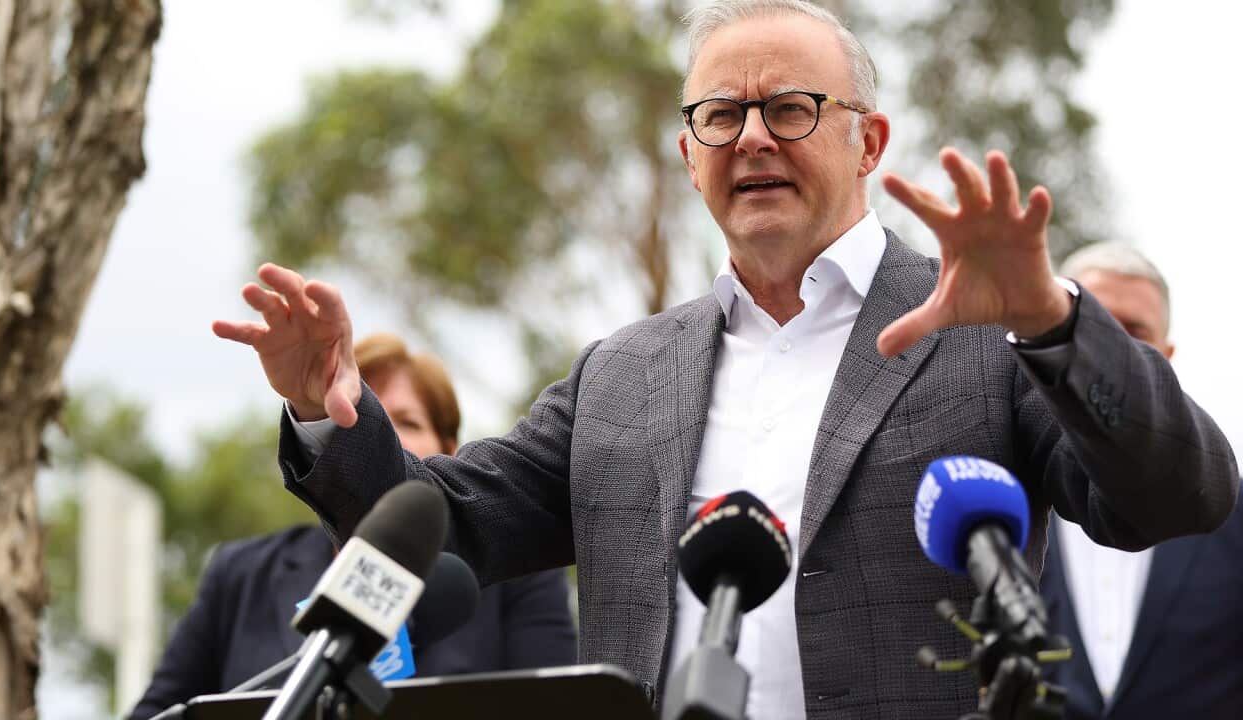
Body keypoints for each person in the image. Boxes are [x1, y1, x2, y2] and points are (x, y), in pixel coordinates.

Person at [213, 2, 1238, 718]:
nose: (751, 137)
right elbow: (447, 525)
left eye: (789, 108)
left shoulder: (979, 335)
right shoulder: (621, 374)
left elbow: (1176, 497)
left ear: (869, 141)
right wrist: (327, 413)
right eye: (720, 114)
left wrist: (1051, 318)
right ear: (687, 154)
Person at [127, 333, 577, 720]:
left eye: (405, 422)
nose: (384, 439)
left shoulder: (521, 580)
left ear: (450, 451)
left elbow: (559, 709)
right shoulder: (241, 574)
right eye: (361, 417)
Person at [1037, 243, 1243, 719]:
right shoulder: (1002, 503)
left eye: (1134, 333)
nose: (1113, 351)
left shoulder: (1232, 513)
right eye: (1095, 324)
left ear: (1166, 357)